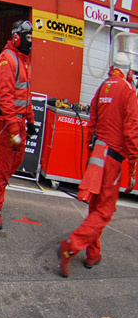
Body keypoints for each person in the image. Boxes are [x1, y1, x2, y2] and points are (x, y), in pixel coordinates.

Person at [58, 52, 138, 276]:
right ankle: (71, 246)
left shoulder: (103, 88)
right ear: (129, 70)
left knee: (96, 205)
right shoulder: (128, 91)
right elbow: (132, 132)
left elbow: (91, 123)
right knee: (104, 210)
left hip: (97, 153)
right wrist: (133, 166)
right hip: (112, 157)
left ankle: (93, 254)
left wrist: (90, 153)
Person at [0, 20, 36, 230]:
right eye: (27, 38)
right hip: (6, 123)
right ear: (17, 38)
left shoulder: (25, 61)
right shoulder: (6, 60)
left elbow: (25, 94)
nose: (30, 43)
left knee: (15, 163)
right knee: (3, 167)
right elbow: (7, 98)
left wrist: (30, 120)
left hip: (19, 122)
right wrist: (13, 128)